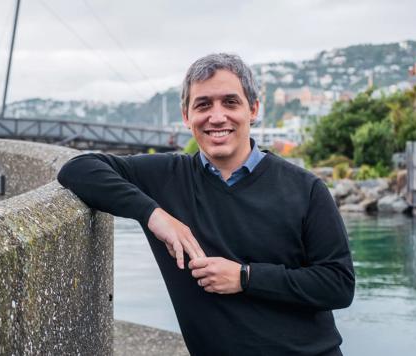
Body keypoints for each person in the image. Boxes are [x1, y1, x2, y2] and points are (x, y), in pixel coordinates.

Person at [57, 53, 354, 356]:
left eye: (230, 102)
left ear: (253, 109)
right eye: (203, 105)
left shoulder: (306, 189)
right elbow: (76, 169)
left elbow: (338, 285)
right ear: (186, 116)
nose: (216, 116)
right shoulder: (164, 178)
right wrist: (152, 214)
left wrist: (245, 277)